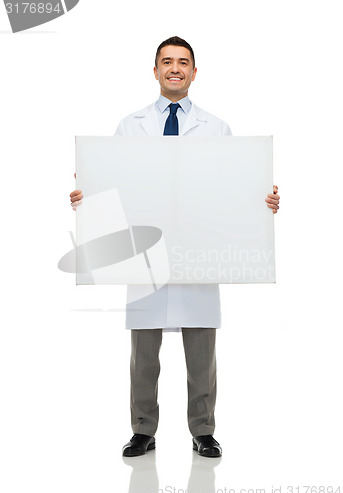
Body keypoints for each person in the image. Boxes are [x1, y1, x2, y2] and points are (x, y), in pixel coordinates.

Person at [69, 36, 280, 458]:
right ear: (155, 71)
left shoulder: (216, 128)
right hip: (146, 256)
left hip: (199, 251)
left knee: (202, 352)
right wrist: (85, 196)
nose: (175, 68)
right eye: (167, 62)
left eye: (183, 62)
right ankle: (143, 430)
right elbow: (110, 183)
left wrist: (263, 201)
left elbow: (234, 185)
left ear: (194, 72)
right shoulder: (131, 126)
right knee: (143, 354)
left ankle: (203, 430)